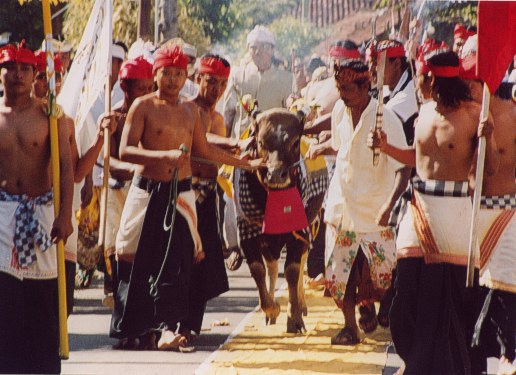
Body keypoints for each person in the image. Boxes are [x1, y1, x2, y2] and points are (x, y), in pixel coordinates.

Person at [110, 44, 262, 351]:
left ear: (185, 77)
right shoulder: (143, 106)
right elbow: (126, 150)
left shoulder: (190, 112)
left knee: (178, 262)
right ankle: (132, 328)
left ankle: (168, 328)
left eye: (179, 74)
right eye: (167, 73)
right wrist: (163, 155)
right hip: (146, 190)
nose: (172, 80)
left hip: (180, 193)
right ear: (156, 74)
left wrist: (246, 163)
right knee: (132, 258)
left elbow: (204, 152)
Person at [370, 50, 498, 374]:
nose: (420, 82)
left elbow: (489, 171)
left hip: (456, 211)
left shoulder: (473, 115)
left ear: (435, 79)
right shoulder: (424, 111)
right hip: (420, 207)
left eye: (424, 77)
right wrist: (385, 147)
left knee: (455, 294)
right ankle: (413, 359)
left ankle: (451, 366)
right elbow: (417, 158)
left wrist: (487, 138)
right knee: (406, 288)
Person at [308, 59, 410, 346]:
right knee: (342, 271)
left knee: (385, 275)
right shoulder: (341, 109)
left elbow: (404, 168)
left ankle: (379, 305)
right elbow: (340, 144)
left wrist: (388, 206)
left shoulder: (386, 118)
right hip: (342, 205)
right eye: (339, 87)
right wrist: (318, 146)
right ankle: (350, 327)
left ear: (366, 86)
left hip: (375, 210)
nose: (341, 94)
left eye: (347, 88)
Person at [0, 42, 74, 374]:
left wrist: (65, 214)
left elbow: (66, 167)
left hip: (43, 216)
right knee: (6, 298)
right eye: (11, 67)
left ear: (35, 75)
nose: (17, 74)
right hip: (2, 216)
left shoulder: (50, 114)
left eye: (25, 69)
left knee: (42, 300)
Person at [459, 36, 516, 373]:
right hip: (470, 216)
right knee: (474, 293)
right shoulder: (460, 115)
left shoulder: (512, 113)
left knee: (505, 291)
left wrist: (490, 138)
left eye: (471, 79)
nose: (466, 85)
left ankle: (510, 355)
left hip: (506, 215)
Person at [221, 25, 292, 270]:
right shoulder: (238, 76)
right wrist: (226, 145)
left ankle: (293, 233)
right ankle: (234, 246)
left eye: (263, 48)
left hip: (276, 148)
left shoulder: (285, 78)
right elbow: (229, 111)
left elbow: (291, 110)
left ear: (272, 50)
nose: (258, 52)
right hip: (244, 143)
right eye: (253, 48)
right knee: (230, 192)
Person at [178, 54, 233, 342]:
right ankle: (175, 321)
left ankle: (191, 324)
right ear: (197, 79)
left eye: (222, 84)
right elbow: (204, 146)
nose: (216, 89)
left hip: (209, 194)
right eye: (211, 81)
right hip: (186, 192)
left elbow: (218, 158)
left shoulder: (220, 119)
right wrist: (235, 147)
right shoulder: (187, 111)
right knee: (183, 258)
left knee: (203, 261)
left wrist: (242, 158)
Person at [102, 56, 154, 316]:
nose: (146, 94)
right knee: (117, 255)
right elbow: (108, 160)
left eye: (149, 88)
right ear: (125, 88)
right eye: (140, 89)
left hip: (145, 193)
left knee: (143, 256)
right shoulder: (114, 118)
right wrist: (136, 167)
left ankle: (142, 317)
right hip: (116, 190)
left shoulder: (154, 116)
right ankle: (123, 316)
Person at [375, 39, 419, 146]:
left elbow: (378, 121)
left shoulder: (410, 91)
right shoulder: (388, 85)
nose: (376, 70)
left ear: (396, 64)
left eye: (380, 65)